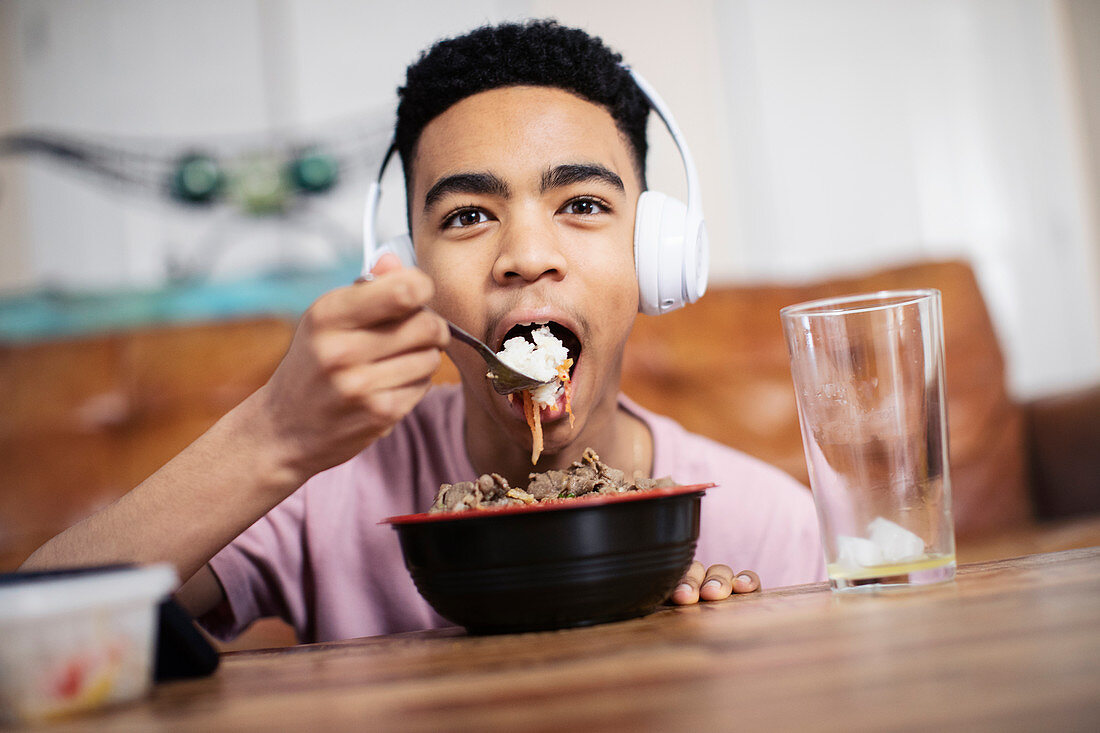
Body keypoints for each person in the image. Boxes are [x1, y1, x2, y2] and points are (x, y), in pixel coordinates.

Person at [22, 20, 824, 642]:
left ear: (657, 253)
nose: (527, 256)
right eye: (469, 215)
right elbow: (25, 631)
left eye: (582, 205)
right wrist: (274, 435)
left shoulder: (769, 522)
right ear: (406, 268)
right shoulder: (326, 488)